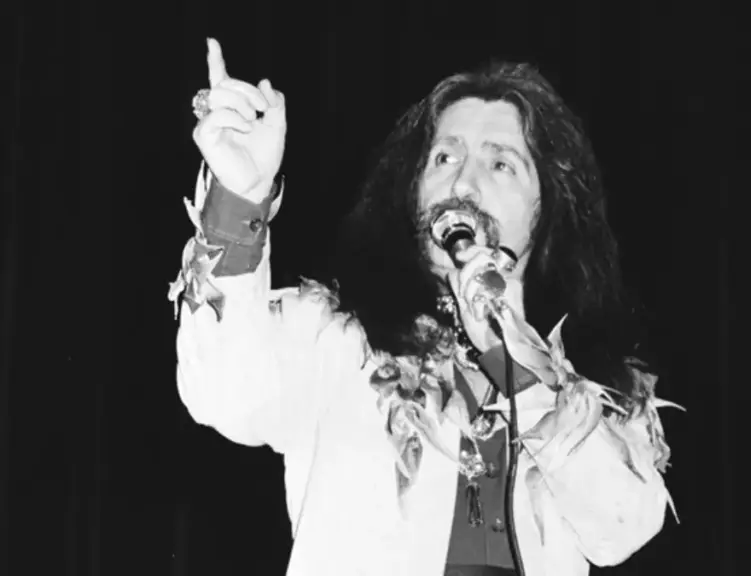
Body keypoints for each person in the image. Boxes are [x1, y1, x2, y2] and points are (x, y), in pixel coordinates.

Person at [169, 38, 682, 576]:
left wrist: (515, 359)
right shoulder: (336, 340)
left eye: (501, 164)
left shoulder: (593, 390)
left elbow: (622, 526)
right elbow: (225, 391)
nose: (463, 182)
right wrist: (239, 199)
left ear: (547, 207)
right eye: (445, 157)